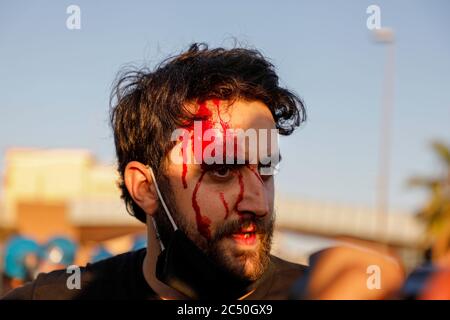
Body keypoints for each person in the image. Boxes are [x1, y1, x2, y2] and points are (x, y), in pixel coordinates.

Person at [2, 43, 308, 300]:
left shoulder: (312, 294)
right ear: (146, 188)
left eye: (266, 167)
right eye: (223, 169)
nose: (259, 203)